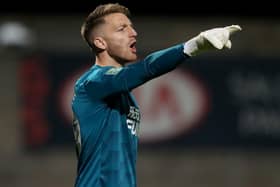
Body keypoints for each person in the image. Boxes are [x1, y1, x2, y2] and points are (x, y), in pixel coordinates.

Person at [71, 3, 241, 187]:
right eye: (122, 29)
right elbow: (147, 67)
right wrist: (195, 45)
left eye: (131, 26)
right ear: (100, 42)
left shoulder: (123, 95)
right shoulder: (92, 82)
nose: (133, 32)